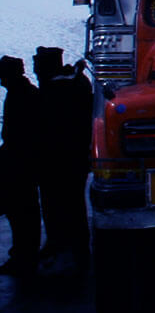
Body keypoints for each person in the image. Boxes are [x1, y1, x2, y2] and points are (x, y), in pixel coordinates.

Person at [32, 48, 91, 275]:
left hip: (60, 159)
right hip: (68, 158)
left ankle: (72, 248)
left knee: (63, 203)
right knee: (71, 204)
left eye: (38, 65)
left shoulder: (56, 89)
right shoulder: (74, 83)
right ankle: (74, 247)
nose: (35, 71)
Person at [0, 55, 40, 276]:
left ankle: (23, 256)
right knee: (23, 212)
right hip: (22, 162)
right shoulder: (26, 93)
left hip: (20, 163)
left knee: (21, 212)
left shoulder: (19, 96)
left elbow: (18, 135)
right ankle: (25, 254)